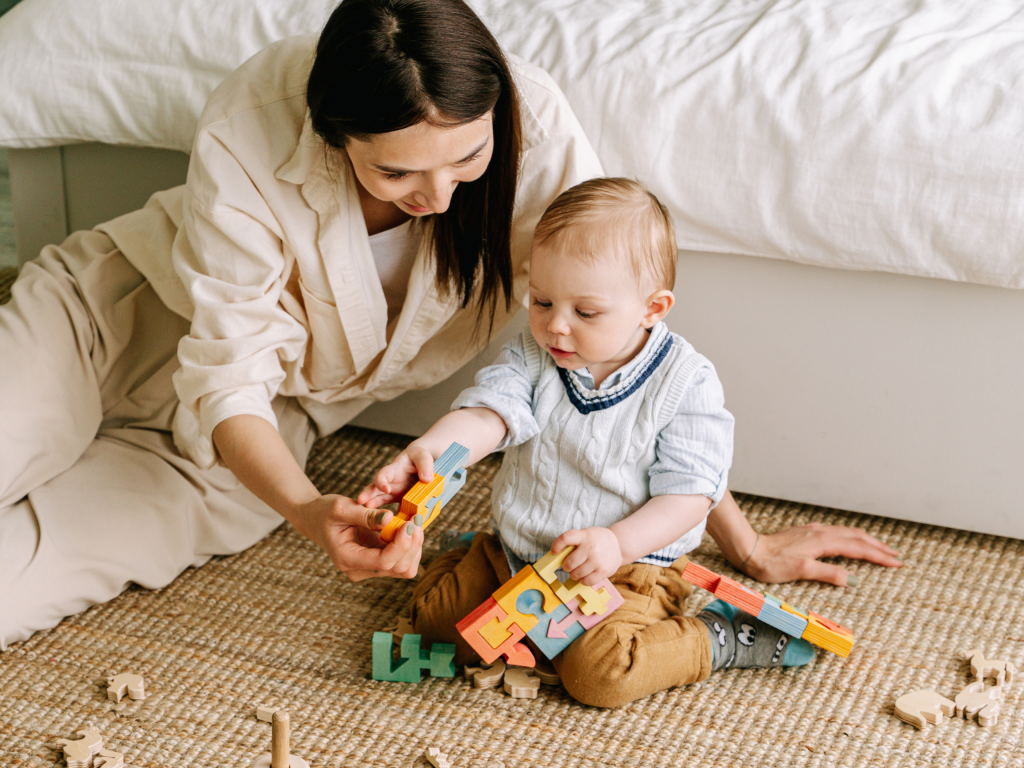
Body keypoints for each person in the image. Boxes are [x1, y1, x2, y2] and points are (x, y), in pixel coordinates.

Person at [0, 0, 897, 651]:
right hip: (112, 322)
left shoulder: (533, 127)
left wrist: (742, 542)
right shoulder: (255, 121)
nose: (438, 198)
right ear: (334, 133)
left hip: (268, 427)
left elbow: (629, 366)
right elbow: (226, 366)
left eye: (468, 159)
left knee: (26, 585)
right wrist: (309, 508)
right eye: (396, 175)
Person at [358, 178, 899, 708]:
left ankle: (716, 638)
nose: (556, 328)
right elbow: (489, 414)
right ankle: (465, 550)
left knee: (600, 675)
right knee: (434, 621)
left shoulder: (685, 382)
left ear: (652, 308)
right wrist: (431, 449)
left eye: (585, 312)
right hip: (517, 551)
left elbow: (690, 496)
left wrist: (618, 543)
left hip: (630, 568)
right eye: (541, 300)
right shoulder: (533, 354)